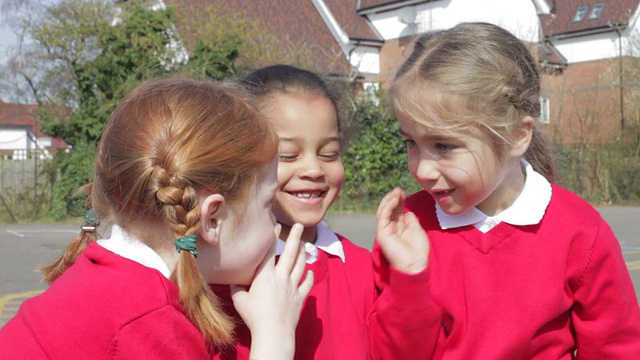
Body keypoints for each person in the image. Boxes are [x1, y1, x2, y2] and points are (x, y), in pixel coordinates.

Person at [374, 21, 640, 359]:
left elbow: (617, 348)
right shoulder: (408, 230)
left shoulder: (579, 231)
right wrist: (409, 278)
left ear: (516, 136)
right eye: (411, 143)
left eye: (443, 145)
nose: (422, 170)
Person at [0, 76, 313, 360]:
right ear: (212, 220)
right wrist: (274, 339)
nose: (276, 225)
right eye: (269, 204)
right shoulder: (150, 324)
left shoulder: (105, 278)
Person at [207, 64, 439, 360]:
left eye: (329, 153)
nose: (314, 169)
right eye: (287, 155)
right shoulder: (223, 271)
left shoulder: (359, 265)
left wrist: (409, 277)